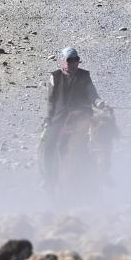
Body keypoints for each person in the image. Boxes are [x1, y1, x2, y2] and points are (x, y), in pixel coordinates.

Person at [39, 47, 102, 182]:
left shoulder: (84, 76)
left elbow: (92, 94)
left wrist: (98, 102)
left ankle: (99, 176)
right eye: (69, 60)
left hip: (81, 117)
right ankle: (49, 178)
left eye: (75, 60)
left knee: (97, 141)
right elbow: (51, 100)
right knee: (49, 144)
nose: (72, 63)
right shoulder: (55, 77)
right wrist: (49, 117)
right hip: (60, 118)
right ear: (62, 61)